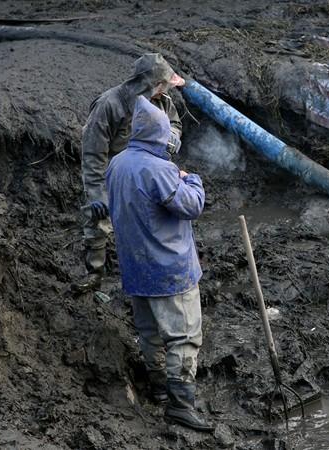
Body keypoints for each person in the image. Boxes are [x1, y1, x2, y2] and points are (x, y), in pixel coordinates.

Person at [105, 95, 213, 432]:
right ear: (159, 135)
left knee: (150, 334)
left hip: (136, 268)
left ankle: (159, 390)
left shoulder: (117, 163)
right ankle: (181, 405)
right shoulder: (161, 169)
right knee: (183, 336)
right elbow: (191, 206)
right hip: (170, 270)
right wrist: (192, 178)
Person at [72, 53, 185, 293]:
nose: (166, 90)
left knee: (149, 220)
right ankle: (94, 273)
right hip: (115, 173)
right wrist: (96, 193)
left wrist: (173, 136)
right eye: (164, 85)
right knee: (98, 218)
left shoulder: (162, 101)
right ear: (153, 84)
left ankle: (146, 266)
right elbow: (93, 154)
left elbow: (175, 122)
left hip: (149, 171)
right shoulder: (109, 105)